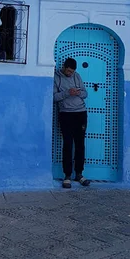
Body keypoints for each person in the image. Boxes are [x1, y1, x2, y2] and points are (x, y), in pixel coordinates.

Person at [53, 57, 90, 188]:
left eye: (72, 72)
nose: (70, 74)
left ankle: (79, 174)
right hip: (66, 114)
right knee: (68, 144)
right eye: (68, 71)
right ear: (64, 67)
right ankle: (67, 175)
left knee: (80, 144)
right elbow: (54, 97)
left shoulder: (77, 76)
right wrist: (67, 93)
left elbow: (85, 93)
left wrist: (78, 92)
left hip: (81, 113)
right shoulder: (56, 77)